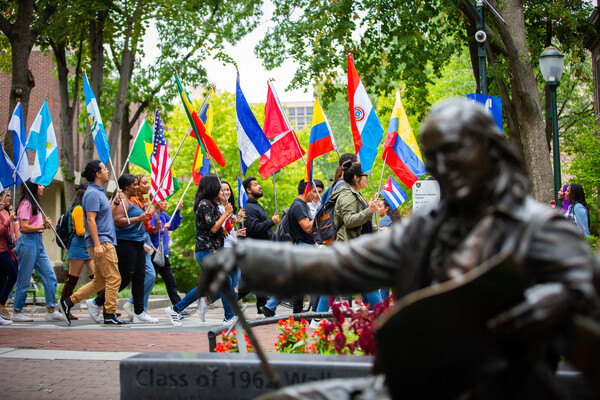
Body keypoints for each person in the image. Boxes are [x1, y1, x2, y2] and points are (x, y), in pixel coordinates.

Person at [199, 99, 599, 399]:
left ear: (490, 150)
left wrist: (559, 301)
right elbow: (343, 263)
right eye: (435, 158)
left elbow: (588, 297)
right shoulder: (428, 228)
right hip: (414, 386)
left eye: (455, 151)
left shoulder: (539, 228)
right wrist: (250, 258)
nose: (444, 166)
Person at [164, 174, 236, 327]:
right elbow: (213, 228)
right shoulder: (204, 205)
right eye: (217, 185)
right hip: (206, 250)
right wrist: (226, 214)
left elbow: (220, 232)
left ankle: (176, 309)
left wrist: (229, 220)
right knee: (226, 281)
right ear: (210, 186)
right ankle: (229, 317)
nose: (220, 189)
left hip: (214, 249)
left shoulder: (214, 205)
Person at [59, 161, 125, 325]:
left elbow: (105, 215)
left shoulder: (99, 193)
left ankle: (68, 302)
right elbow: (90, 220)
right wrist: (96, 244)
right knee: (114, 278)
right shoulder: (92, 194)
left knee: (100, 281)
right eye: (104, 169)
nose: (107, 171)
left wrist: (115, 202)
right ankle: (109, 314)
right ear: (97, 173)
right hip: (101, 241)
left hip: (103, 240)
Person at [93, 173, 153, 324]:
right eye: (135, 184)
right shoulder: (122, 201)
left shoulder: (132, 200)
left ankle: (139, 312)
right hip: (126, 243)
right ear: (127, 187)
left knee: (140, 276)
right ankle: (96, 303)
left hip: (138, 242)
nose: (138, 187)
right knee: (124, 277)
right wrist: (138, 219)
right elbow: (118, 221)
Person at [260, 179, 319, 318]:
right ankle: (316, 314)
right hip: (301, 249)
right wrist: (319, 214)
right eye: (313, 190)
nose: (315, 194)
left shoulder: (302, 205)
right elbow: (307, 227)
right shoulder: (298, 206)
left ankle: (270, 307)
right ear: (306, 190)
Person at [12, 180, 62, 322]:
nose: (43, 187)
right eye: (40, 185)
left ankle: (51, 310)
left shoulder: (34, 204)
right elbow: (24, 227)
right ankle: (16, 311)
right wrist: (43, 225)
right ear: (33, 187)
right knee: (24, 278)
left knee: (50, 276)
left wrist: (42, 227)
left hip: (37, 242)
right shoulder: (26, 204)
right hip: (27, 241)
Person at [237, 176, 280, 314]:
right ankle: (223, 299)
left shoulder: (255, 205)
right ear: (248, 190)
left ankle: (264, 309)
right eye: (255, 185)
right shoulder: (248, 207)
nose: (259, 186)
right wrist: (271, 222)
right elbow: (253, 228)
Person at [123, 174, 160, 319]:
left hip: (143, 238)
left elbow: (145, 226)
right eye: (143, 183)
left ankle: (140, 310)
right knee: (147, 274)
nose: (147, 186)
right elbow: (138, 221)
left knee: (143, 275)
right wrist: (151, 209)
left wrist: (153, 229)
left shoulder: (141, 200)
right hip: (135, 240)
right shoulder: (131, 201)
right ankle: (133, 304)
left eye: (147, 183)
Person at [61, 184, 95, 321]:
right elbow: (81, 231)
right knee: (72, 279)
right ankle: (64, 306)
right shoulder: (79, 209)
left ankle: (104, 306)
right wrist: (94, 228)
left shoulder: (82, 208)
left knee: (97, 277)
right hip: (78, 246)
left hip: (86, 246)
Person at [149, 198, 183, 307]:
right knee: (148, 280)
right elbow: (150, 232)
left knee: (170, 281)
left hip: (163, 254)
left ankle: (179, 307)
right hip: (155, 253)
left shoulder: (163, 215)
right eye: (163, 200)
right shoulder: (153, 215)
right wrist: (162, 230)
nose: (166, 202)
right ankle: (134, 303)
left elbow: (173, 225)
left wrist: (177, 211)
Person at [0, 189, 17, 325]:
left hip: (7, 248)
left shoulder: (6, 212)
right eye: (7, 196)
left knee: (3, 278)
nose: (9, 198)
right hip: (0, 250)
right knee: (12, 274)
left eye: (10, 196)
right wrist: (8, 222)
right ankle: (1, 305)